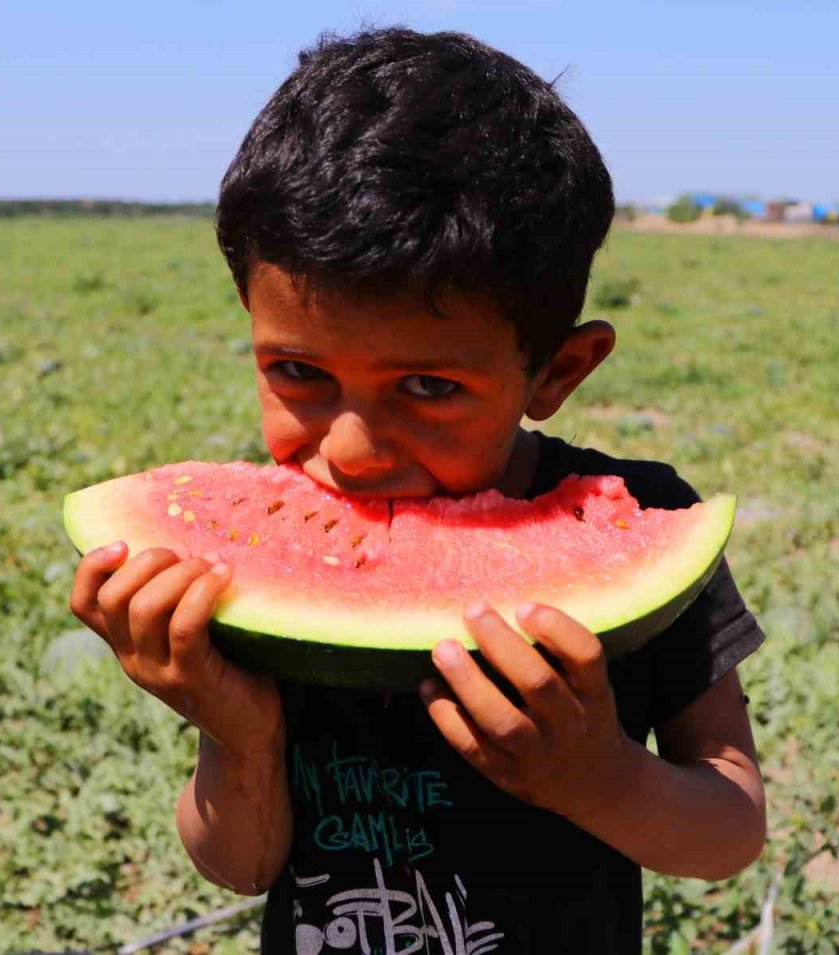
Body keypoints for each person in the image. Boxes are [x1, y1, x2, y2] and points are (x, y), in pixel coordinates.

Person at [70, 27, 766, 954]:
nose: (350, 450)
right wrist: (234, 731)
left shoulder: (648, 516)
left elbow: (731, 827)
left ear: (557, 372)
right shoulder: (255, 564)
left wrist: (595, 776)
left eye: (430, 387)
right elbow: (240, 864)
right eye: (298, 371)